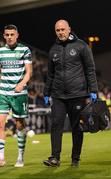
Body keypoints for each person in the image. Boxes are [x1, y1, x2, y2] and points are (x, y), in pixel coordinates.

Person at [43, 19, 98, 167]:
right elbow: (50, 74)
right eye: (57, 30)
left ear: (69, 29)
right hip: (58, 95)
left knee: (76, 127)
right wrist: (46, 92)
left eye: (62, 29)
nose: (60, 32)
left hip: (78, 94)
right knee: (56, 125)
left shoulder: (81, 46)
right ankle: (55, 158)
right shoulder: (53, 49)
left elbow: (90, 69)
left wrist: (93, 90)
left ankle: (75, 158)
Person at [0, 24, 32, 168]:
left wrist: (23, 83)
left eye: (12, 34)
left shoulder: (24, 50)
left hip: (19, 94)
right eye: (7, 35)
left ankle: (20, 156)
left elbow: (29, 72)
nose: (9, 37)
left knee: (19, 124)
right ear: (4, 35)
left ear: (17, 35)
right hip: (3, 93)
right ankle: (0, 159)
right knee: (0, 123)